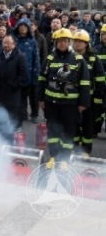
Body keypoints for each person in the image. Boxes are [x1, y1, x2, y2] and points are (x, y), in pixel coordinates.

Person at [38, 28, 90, 168]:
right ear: (55, 43)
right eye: (59, 41)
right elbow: (42, 79)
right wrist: (41, 99)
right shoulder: (49, 59)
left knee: (68, 131)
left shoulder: (78, 60)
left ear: (69, 42)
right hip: (51, 103)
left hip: (70, 104)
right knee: (53, 131)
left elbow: (85, 83)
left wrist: (83, 103)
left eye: (65, 41)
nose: (62, 44)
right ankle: (54, 157)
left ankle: (65, 159)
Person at [71, 30, 105, 156]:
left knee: (87, 126)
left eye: (81, 41)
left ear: (86, 44)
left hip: (89, 99)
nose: (78, 44)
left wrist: (97, 99)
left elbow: (100, 80)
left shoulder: (93, 59)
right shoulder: (69, 57)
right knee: (73, 125)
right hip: (72, 98)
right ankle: (74, 148)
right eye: (76, 41)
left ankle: (86, 150)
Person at [0, 35, 27, 142]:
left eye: (9, 43)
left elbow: (23, 75)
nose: (6, 45)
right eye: (4, 43)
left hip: (12, 94)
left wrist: (13, 86)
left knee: (12, 119)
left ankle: (11, 142)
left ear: (14, 44)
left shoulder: (20, 57)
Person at [13, 18, 40, 125]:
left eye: (25, 26)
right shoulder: (13, 39)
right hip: (17, 72)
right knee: (21, 96)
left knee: (34, 96)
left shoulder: (32, 41)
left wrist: (36, 73)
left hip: (31, 71)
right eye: (21, 25)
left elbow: (36, 58)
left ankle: (34, 114)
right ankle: (22, 114)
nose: (23, 28)